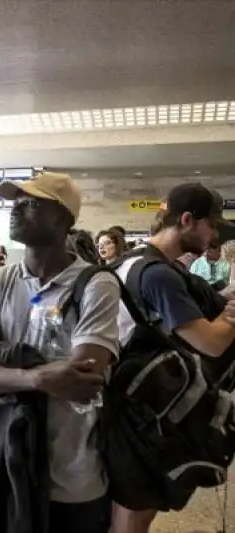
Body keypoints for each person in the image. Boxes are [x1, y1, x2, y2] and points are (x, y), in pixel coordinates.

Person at [0, 172, 120, 533]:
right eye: (16, 203)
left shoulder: (96, 284)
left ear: (62, 218)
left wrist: (0, 367)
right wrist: (38, 376)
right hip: (2, 460)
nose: (16, 211)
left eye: (31, 204)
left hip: (72, 472)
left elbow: (82, 380)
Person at [111, 183, 235, 533]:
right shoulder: (159, 275)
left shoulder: (134, 261)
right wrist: (231, 318)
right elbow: (211, 343)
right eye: (211, 226)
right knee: (134, 512)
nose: (214, 237)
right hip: (143, 412)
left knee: (132, 508)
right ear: (186, 220)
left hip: (132, 402)